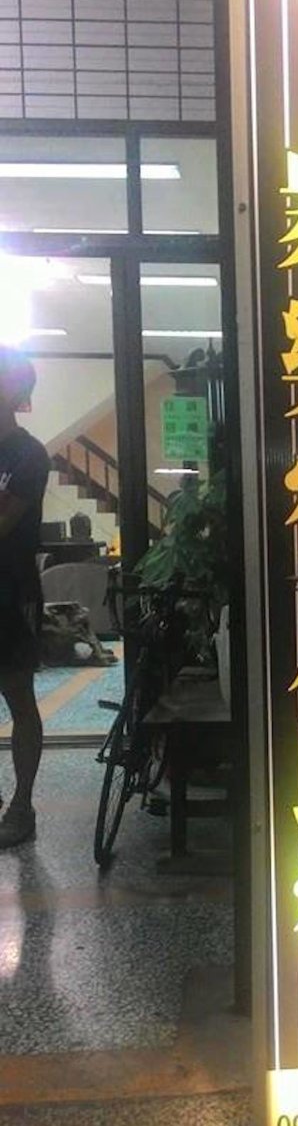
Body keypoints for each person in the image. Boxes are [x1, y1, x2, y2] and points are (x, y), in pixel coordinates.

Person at [0, 346, 50, 849]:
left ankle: (22, 807)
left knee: (19, 696)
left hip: (11, 593)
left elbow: (4, 523)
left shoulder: (29, 455)